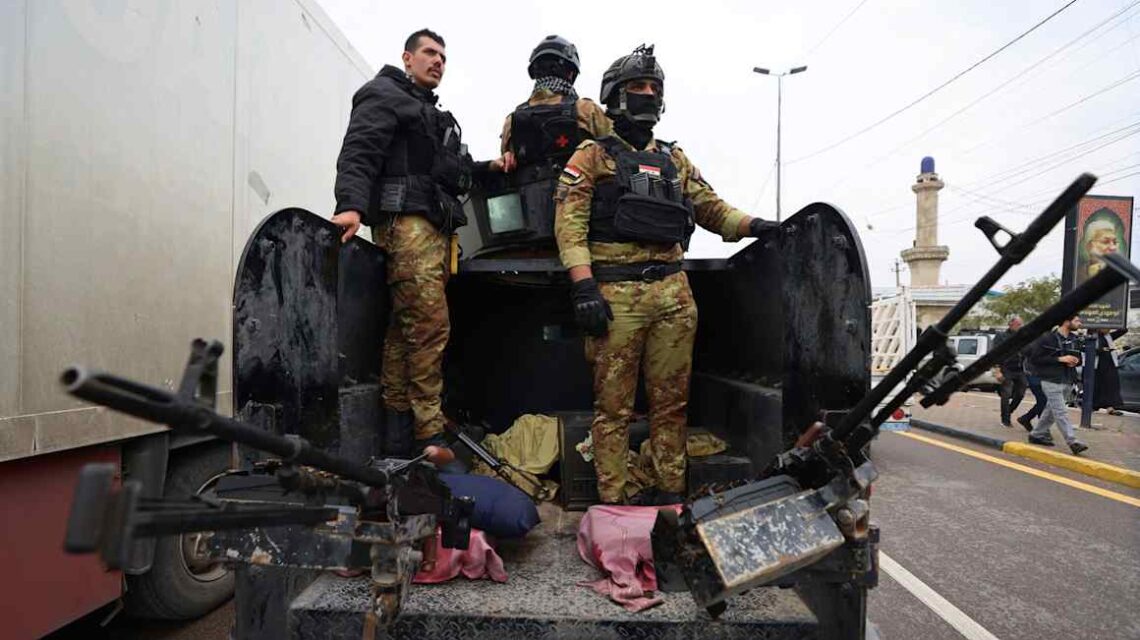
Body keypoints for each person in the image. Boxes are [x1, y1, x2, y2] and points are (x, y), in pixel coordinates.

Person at [553, 45, 778, 505]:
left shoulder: (675, 159)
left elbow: (711, 208)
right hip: (616, 296)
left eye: (654, 87)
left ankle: (670, 500)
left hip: (674, 295)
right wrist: (584, 286)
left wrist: (757, 226)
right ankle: (614, 506)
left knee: (671, 408)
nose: (649, 94)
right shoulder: (592, 156)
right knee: (612, 410)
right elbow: (569, 226)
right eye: (638, 86)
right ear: (616, 95)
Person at [330, 28, 503, 456]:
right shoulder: (384, 94)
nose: (438, 61)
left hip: (432, 232)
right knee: (428, 329)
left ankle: (397, 437)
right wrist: (350, 205)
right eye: (429, 52)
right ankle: (429, 436)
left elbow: (452, 169)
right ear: (407, 57)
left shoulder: (426, 112)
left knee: (403, 333)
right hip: (407, 227)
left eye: (443, 56)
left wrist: (491, 167)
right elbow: (360, 151)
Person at [499, 35, 611, 173]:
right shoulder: (587, 110)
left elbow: (506, 164)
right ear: (570, 74)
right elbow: (618, 153)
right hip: (581, 186)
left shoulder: (512, 120)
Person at [1026, 315, 1089, 454]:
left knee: (1051, 411)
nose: (1080, 323)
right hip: (1050, 380)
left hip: (1068, 380)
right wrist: (1060, 359)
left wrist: (1075, 361)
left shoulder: (1075, 339)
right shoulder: (1047, 338)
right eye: (1077, 320)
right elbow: (1035, 359)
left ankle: (1036, 434)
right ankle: (1072, 441)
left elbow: (1079, 358)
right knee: (1060, 412)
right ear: (1066, 321)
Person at [994, 316, 1027, 427]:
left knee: (1020, 393)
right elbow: (995, 353)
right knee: (1006, 394)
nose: (1020, 326)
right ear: (1011, 324)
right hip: (1006, 368)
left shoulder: (1022, 337)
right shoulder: (1001, 336)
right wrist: (997, 370)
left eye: (1021, 324)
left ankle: (1009, 411)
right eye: (1018, 324)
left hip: (1019, 369)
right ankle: (1005, 420)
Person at [1093, 327, 1128, 415]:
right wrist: (1104, 349)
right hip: (1096, 366)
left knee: (1111, 386)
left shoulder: (1109, 336)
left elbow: (1124, 330)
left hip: (1109, 365)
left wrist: (1114, 323)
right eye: (1106, 327)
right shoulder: (1092, 336)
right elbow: (1093, 350)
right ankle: (1093, 406)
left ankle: (1110, 408)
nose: (1108, 329)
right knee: (1096, 386)